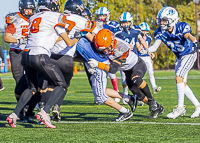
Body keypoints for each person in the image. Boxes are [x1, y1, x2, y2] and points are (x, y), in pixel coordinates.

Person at [6, 0, 79, 128]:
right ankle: (44, 112)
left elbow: (48, 35)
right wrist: (77, 36)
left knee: (32, 88)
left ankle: (14, 115)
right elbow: (69, 42)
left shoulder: (34, 17)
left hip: (26, 55)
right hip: (39, 56)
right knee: (61, 84)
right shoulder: (55, 17)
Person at [87, 29, 165, 119]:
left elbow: (112, 69)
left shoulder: (121, 48)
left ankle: (151, 100)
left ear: (112, 41)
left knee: (136, 80)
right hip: (127, 70)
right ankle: (158, 108)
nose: (106, 51)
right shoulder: (105, 43)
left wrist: (97, 64)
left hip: (137, 65)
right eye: (104, 50)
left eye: (107, 48)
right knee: (138, 95)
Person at [147, 6, 200, 119]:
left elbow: (187, 35)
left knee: (178, 78)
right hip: (179, 57)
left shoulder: (181, 27)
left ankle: (180, 108)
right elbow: (155, 47)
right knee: (182, 83)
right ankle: (197, 106)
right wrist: (143, 50)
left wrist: (194, 41)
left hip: (189, 54)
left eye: (164, 20)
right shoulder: (160, 32)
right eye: (161, 20)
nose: (162, 22)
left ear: (173, 20)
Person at [115, 12, 149, 105]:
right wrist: (124, 46)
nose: (126, 25)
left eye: (127, 22)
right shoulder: (117, 32)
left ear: (131, 22)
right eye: (123, 22)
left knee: (136, 79)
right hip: (123, 58)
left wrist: (147, 50)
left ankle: (139, 97)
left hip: (134, 59)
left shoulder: (136, 30)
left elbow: (140, 40)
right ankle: (126, 95)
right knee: (124, 79)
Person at [4, 0, 35, 84]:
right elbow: (7, 38)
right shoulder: (15, 19)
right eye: (26, 9)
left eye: (30, 9)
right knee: (19, 78)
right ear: (22, 9)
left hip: (31, 52)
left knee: (34, 77)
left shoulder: (36, 19)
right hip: (17, 52)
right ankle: (21, 96)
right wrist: (19, 41)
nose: (29, 11)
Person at [95, 7, 120, 102]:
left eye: (103, 15)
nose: (101, 17)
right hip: (100, 51)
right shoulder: (96, 25)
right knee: (99, 73)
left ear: (107, 15)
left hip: (110, 51)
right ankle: (100, 94)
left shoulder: (113, 25)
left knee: (112, 73)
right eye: (100, 15)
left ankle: (116, 92)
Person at [137, 22, 161, 94]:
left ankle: (154, 87)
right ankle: (139, 90)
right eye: (143, 31)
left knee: (151, 72)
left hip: (146, 57)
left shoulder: (149, 37)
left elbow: (148, 48)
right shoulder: (137, 37)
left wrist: (150, 55)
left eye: (146, 31)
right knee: (139, 75)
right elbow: (138, 49)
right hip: (140, 57)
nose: (145, 32)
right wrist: (142, 41)